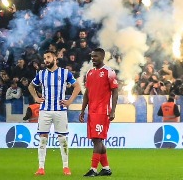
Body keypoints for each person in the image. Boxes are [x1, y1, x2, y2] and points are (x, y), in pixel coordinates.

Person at [29, 50, 81, 176]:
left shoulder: (65, 73)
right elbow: (31, 86)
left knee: (62, 139)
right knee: (42, 139)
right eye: (44, 58)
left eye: (48, 57)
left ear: (55, 59)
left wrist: (69, 101)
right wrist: (36, 98)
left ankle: (66, 167)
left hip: (60, 111)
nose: (45, 60)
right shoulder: (41, 74)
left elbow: (77, 87)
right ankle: (41, 168)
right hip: (45, 110)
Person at [79, 48, 119, 177]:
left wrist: (113, 110)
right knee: (97, 140)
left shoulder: (109, 72)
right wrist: (82, 110)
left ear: (102, 57)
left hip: (103, 111)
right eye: (92, 56)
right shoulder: (90, 73)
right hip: (92, 111)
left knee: (97, 140)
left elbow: (115, 91)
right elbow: (87, 93)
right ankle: (106, 168)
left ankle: (93, 169)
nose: (93, 59)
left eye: (95, 56)